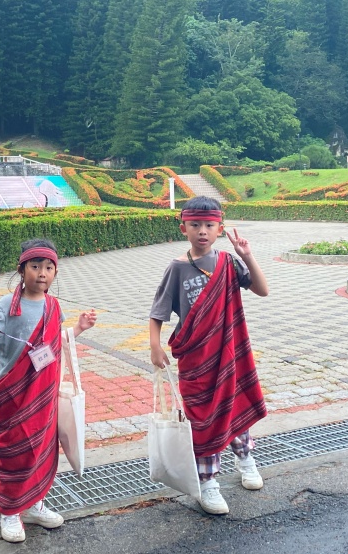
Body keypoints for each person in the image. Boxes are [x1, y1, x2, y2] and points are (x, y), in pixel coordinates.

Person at [148, 196, 269, 515]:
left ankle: (246, 461)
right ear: (183, 227)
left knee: (234, 407)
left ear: (220, 228)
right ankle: (207, 483)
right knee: (202, 419)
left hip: (228, 354)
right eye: (195, 225)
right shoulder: (176, 268)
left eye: (209, 225)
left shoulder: (230, 262)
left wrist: (248, 254)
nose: (202, 231)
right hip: (196, 361)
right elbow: (158, 312)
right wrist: (155, 345)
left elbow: (262, 290)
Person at [0, 238, 97, 543]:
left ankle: (34, 504)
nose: (42, 273)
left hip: (43, 397)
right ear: (22, 269)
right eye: (35, 266)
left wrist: (79, 328)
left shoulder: (54, 306)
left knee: (42, 449)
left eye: (49, 267)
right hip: (14, 397)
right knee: (13, 453)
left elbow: (55, 342)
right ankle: (10, 511)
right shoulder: (5, 306)